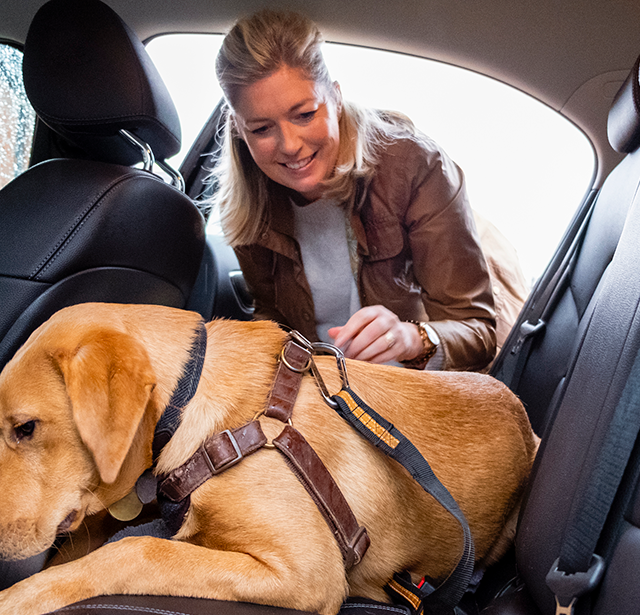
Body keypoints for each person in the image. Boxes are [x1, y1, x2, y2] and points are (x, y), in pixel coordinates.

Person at [209, 9, 527, 371]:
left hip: (413, 386)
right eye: (262, 129)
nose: (290, 145)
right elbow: (272, 319)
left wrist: (411, 339)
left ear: (336, 98)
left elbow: (477, 332)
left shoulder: (413, 165)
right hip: (322, 394)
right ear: (238, 127)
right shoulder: (248, 206)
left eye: (305, 114)